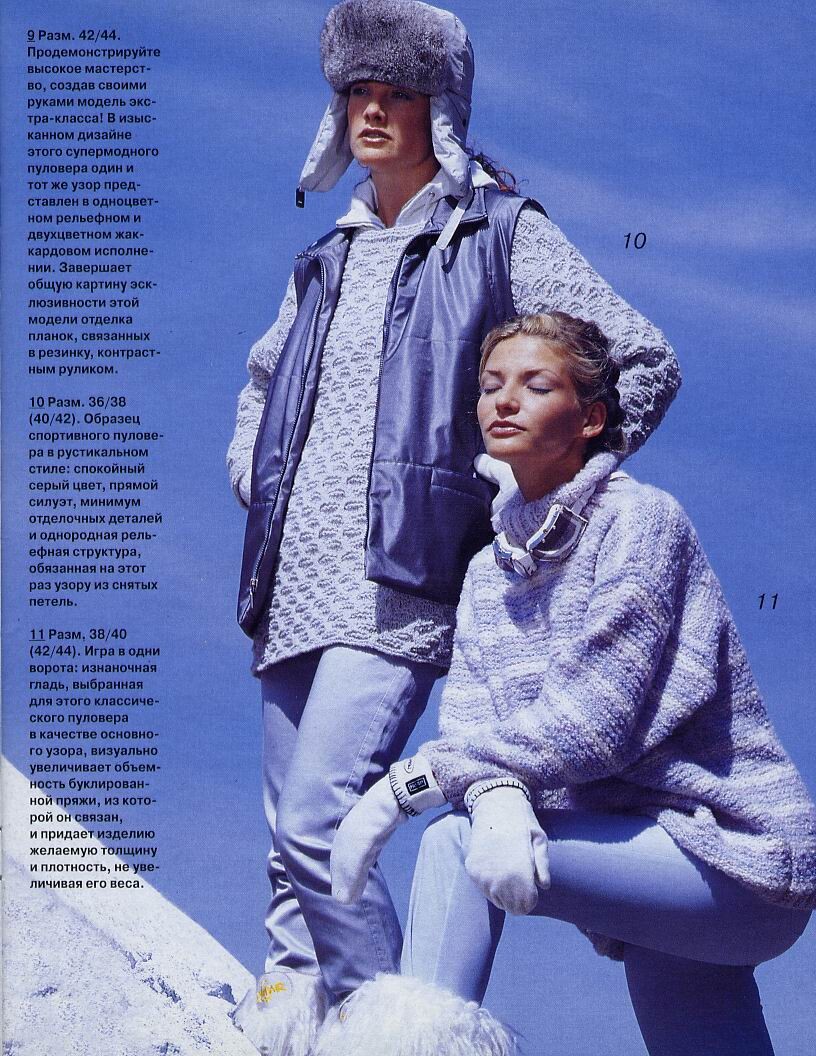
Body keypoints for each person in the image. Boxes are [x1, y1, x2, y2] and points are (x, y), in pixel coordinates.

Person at [226, 2, 680, 1052]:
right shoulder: (326, 257)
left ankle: (397, 1038)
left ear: (440, 108)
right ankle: (287, 1026)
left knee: (322, 817)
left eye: (398, 91)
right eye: (357, 90)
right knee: (290, 854)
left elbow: (640, 358)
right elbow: (261, 381)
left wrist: (552, 495)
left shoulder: (499, 230)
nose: (373, 109)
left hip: (403, 574)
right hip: (289, 577)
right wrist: (255, 472)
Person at [325, 312, 816, 1056]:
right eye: (491, 385)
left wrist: (408, 786)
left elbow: (597, 720)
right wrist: (494, 792)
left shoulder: (641, 521)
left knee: (453, 843)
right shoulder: (487, 574)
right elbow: (476, 736)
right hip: (648, 878)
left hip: (731, 854)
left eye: (535, 385)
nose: (504, 401)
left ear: (590, 419)